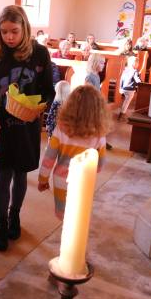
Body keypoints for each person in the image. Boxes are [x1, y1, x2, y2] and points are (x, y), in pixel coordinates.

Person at [0, 5, 55, 252]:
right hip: (2, 128)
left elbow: (49, 89)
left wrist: (39, 107)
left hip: (27, 126)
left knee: (21, 175)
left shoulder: (40, 53)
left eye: (14, 31)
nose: (9, 37)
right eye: (4, 32)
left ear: (24, 28)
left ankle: (15, 215)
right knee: (2, 177)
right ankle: (2, 223)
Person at [37, 85, 109, 218]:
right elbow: (100, 165)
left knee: (64, 217)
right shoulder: (99, 135)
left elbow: (49, 157)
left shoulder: (61, 129)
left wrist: (43, 179)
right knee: (79, 220)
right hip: (84, 181)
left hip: (61, 180)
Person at [118, 55, 142, 120]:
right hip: (130, 89)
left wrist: (120, 87)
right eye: (137, 63)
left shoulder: (125, 70)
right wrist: (140, 78)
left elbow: (121, 79)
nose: (138, 64)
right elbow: (138, 81)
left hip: (124, 88)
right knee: (127, 102)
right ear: (133, 64)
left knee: (125, 101)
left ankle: (122, 113)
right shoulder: (135, 72)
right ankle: (122, 114)